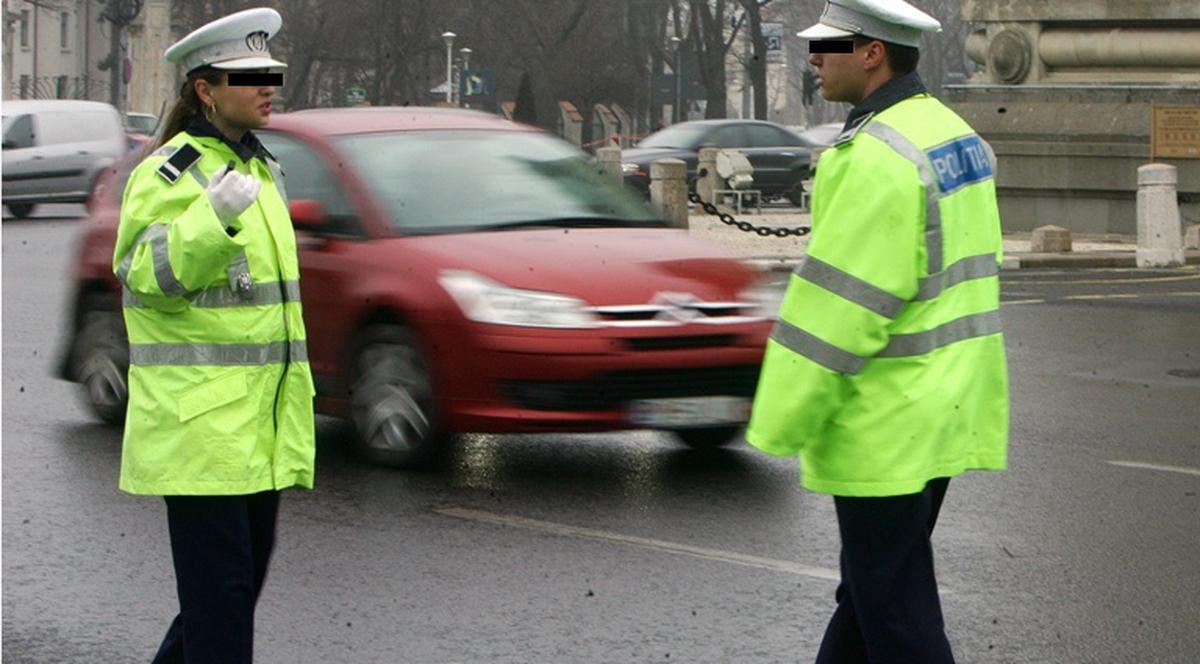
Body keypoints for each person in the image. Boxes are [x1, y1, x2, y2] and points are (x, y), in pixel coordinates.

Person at [744, 0, 1009, 662]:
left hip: (885, 422)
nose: (814, 57)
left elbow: (837, 312)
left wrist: (777, 421)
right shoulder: (953, 135)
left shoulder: (873, 156)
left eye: (829, 45)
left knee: (894, 614)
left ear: (872, 54)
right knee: (869, 597)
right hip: (949, 402)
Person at [111, 7, 314, 663]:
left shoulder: (260, 168)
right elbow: (144, 276)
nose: (268, 88)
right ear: (205, 89)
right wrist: (211, 220)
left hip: (255, 428)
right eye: (251, 78)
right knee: (222, 607)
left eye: (272, 74)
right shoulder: (168, 172)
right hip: (201, 429)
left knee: (225, 601)